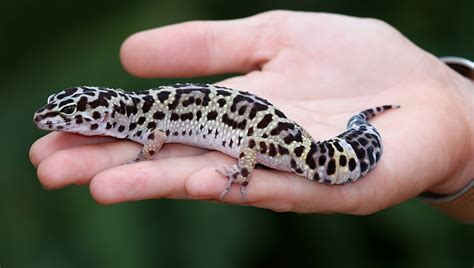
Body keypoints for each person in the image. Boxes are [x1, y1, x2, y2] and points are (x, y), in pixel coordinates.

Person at [29, 10, 473, 222]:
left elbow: (156, 139)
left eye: (68, 117)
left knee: (261, 150)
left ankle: (348, 135)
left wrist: (242, 167)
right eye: (65, 117)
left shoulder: (148, 121)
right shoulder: (146, 114)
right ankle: (357, 129)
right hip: (285, 137)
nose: (56, 121)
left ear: (103, 114)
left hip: (278, 148)